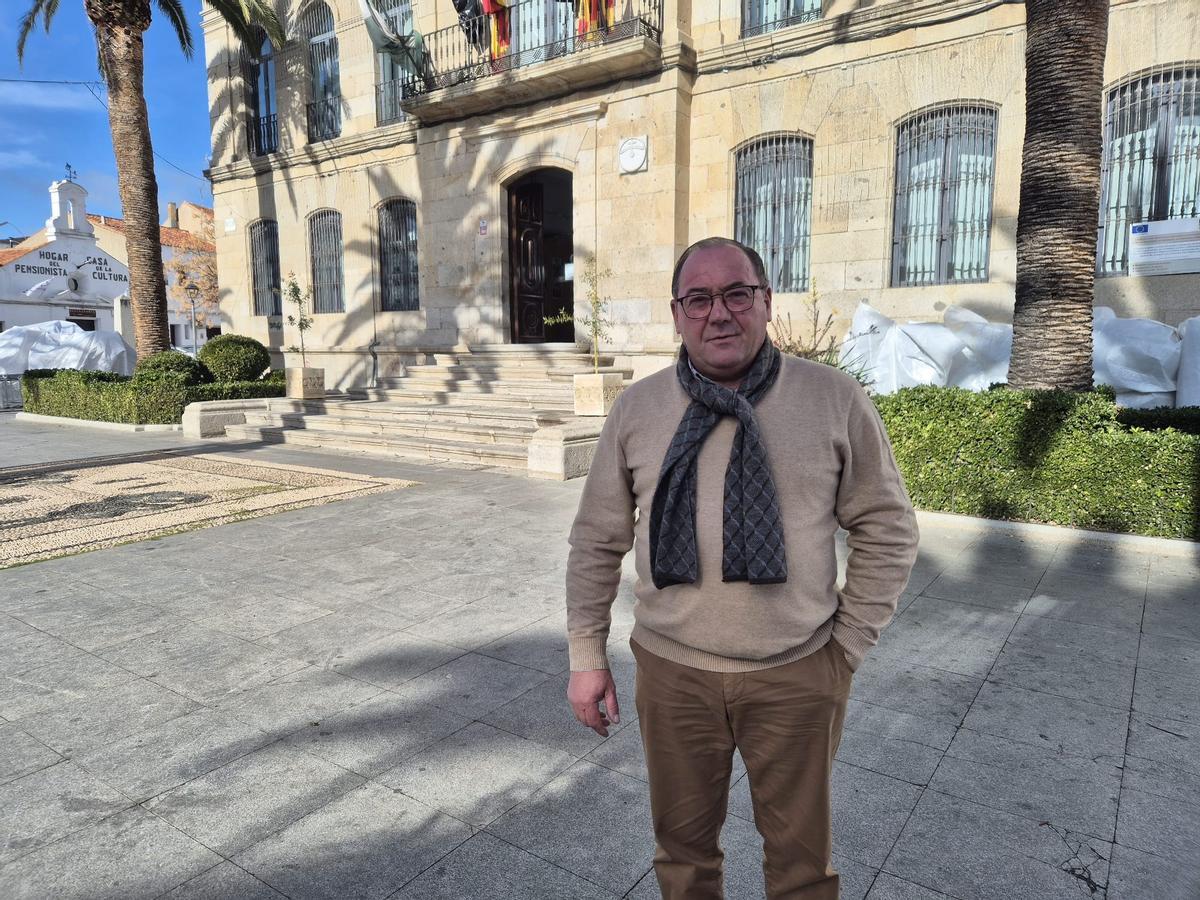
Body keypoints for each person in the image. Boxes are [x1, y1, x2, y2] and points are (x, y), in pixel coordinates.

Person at [564, 237, 920, 899]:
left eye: (736, 294)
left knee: (801, 867)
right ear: (677, 313)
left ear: (766, 303)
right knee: (683, 857)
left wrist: (845, 648)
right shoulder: (637, 410)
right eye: (698, 299)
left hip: (797, 671)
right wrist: (587, 655)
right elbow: (595, 540)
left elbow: (888, 527)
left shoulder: (834, 399)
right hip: (673, 675)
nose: (718, 314)